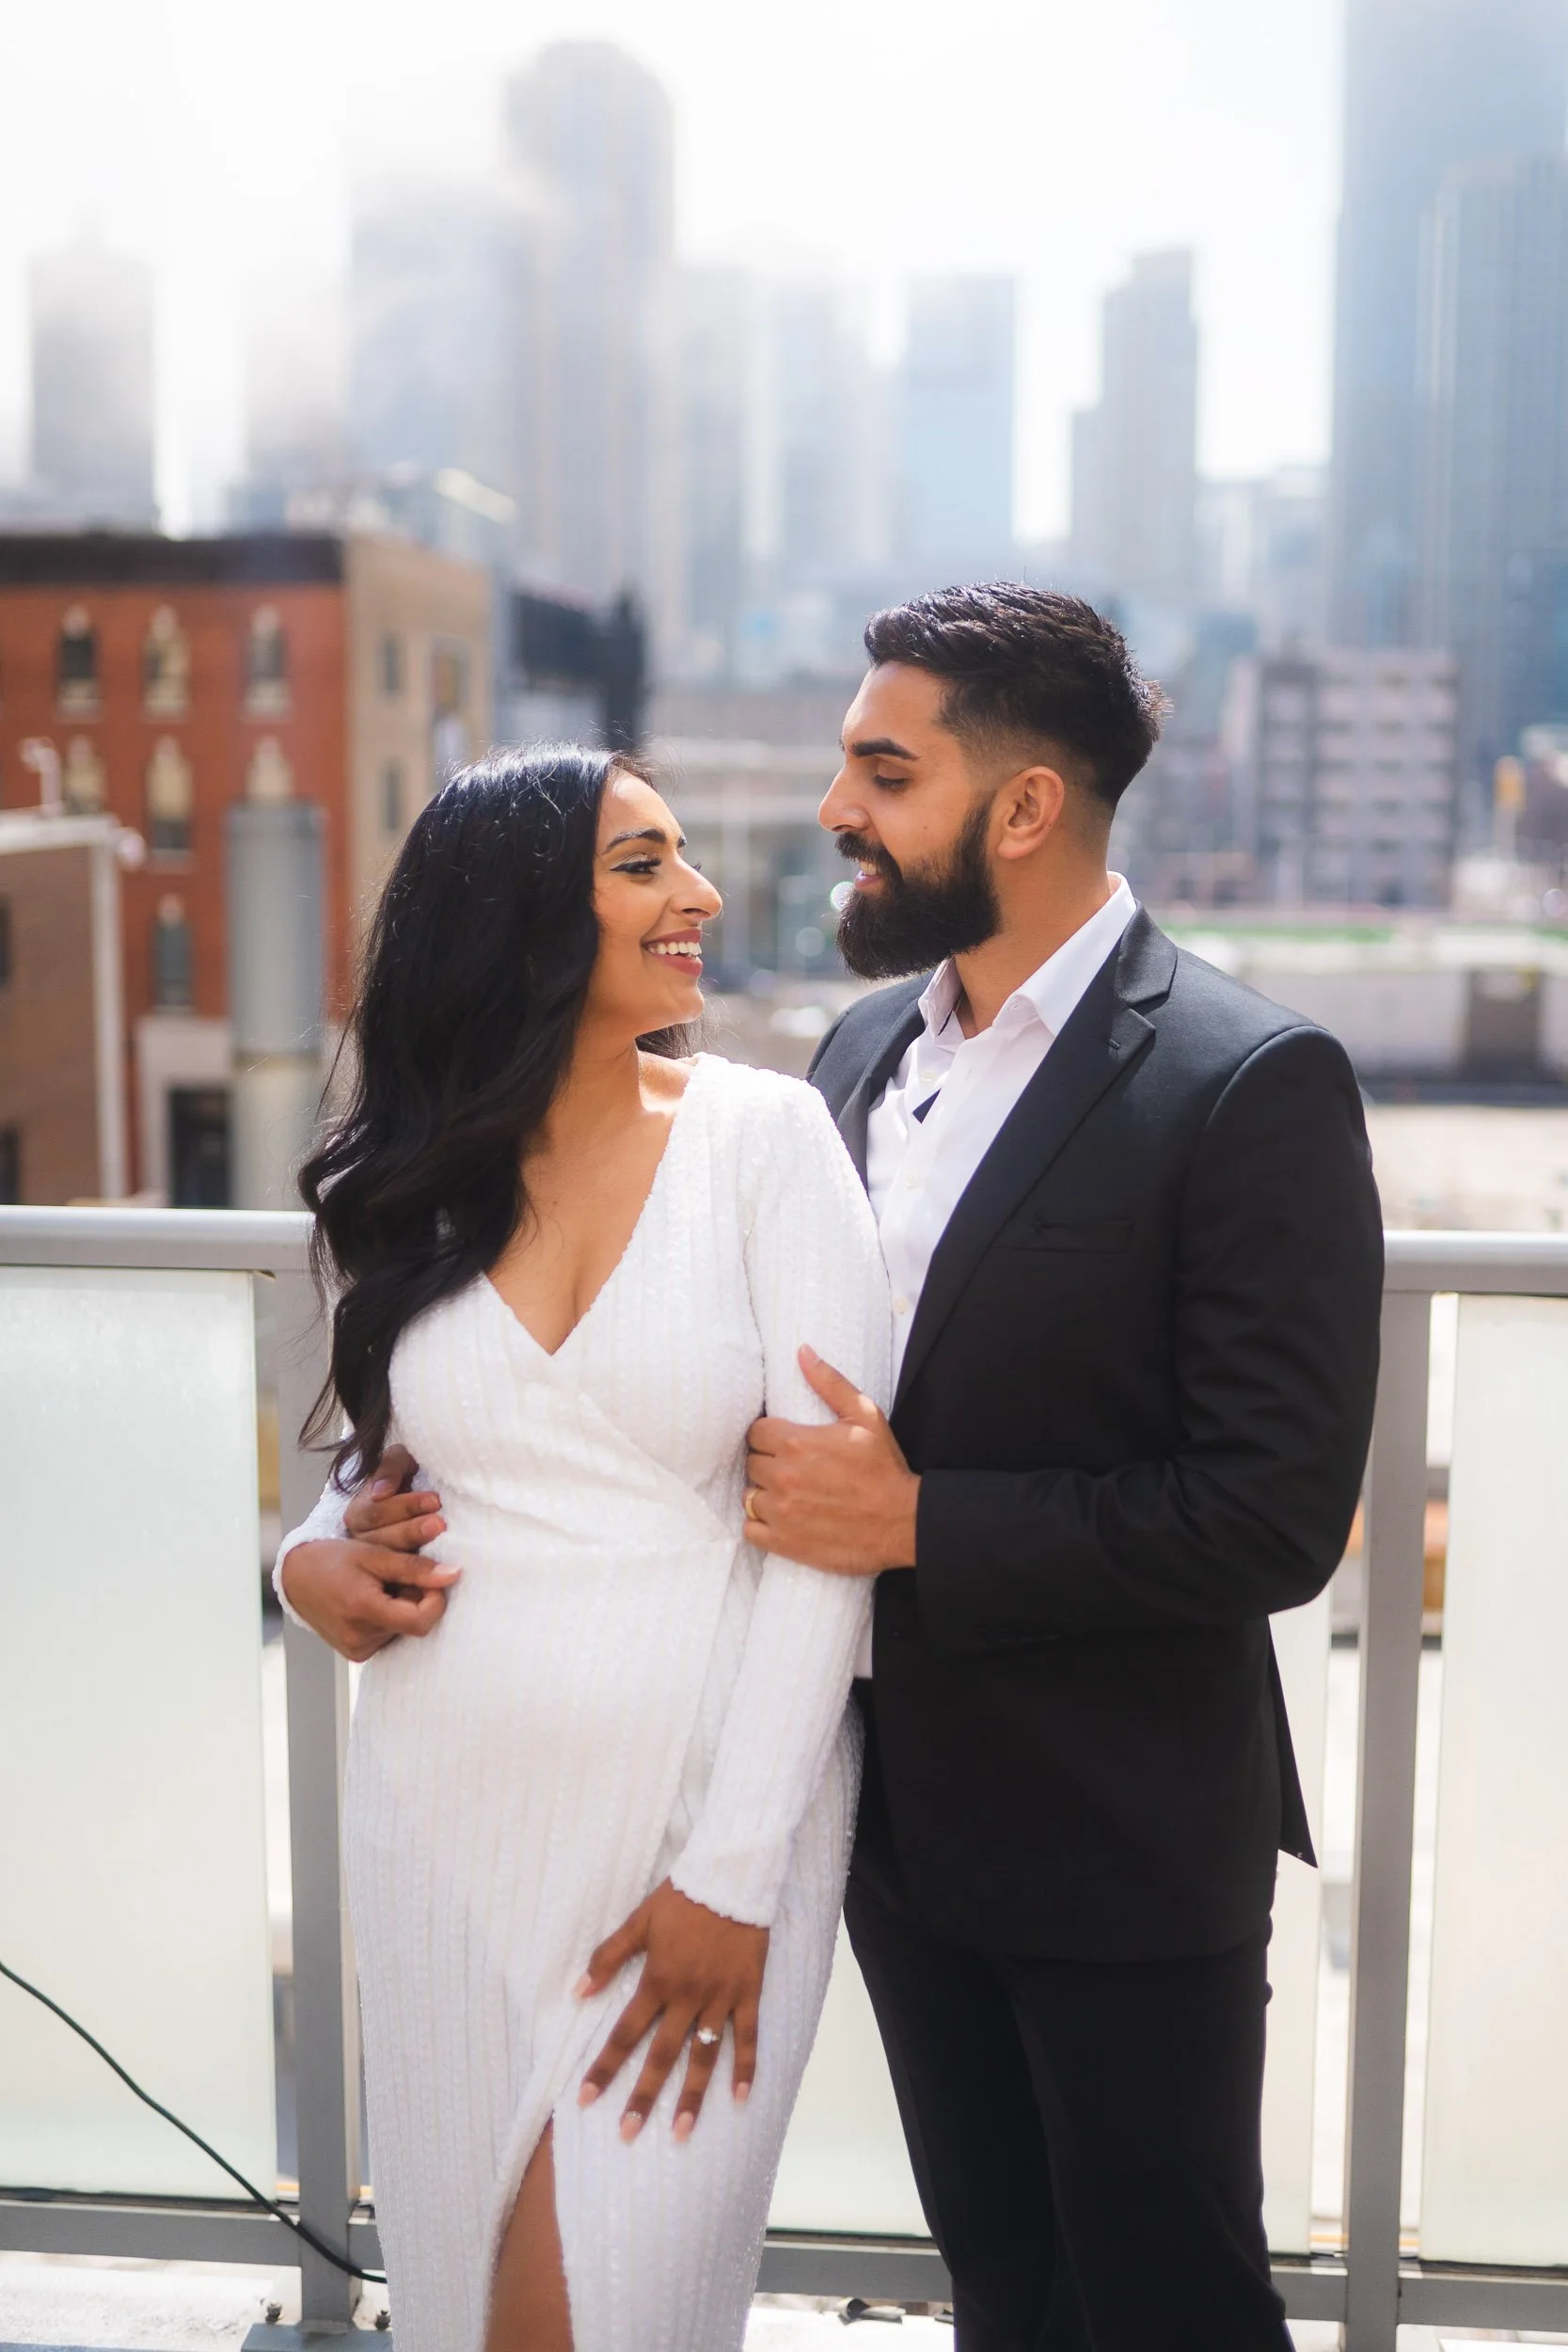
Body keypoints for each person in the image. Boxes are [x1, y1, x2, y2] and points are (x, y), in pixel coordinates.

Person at [736, 583, 1386, 2350]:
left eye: (883, 767)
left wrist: (920, 1524)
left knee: (1167, 2304)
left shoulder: (1249, 1080)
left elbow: (1269, 1509)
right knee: (1004, 2296)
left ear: (1022, 809)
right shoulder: (859, 1051)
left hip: (1121, 1838)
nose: (835, 812)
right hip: (893, 1827)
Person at [273, 747, 891, 2352]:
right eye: (644, 864)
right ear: (518, 912)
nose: (696, 897)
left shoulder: (767, 1144)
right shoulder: (411, 1174)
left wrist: (731, 1878)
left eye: (684, 860)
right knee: (473, 2315)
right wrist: (303, 1568)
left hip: (698, 1835)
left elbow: (827, 1549)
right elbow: (372, 1472)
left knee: (601, 2308)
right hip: (443, 1826)